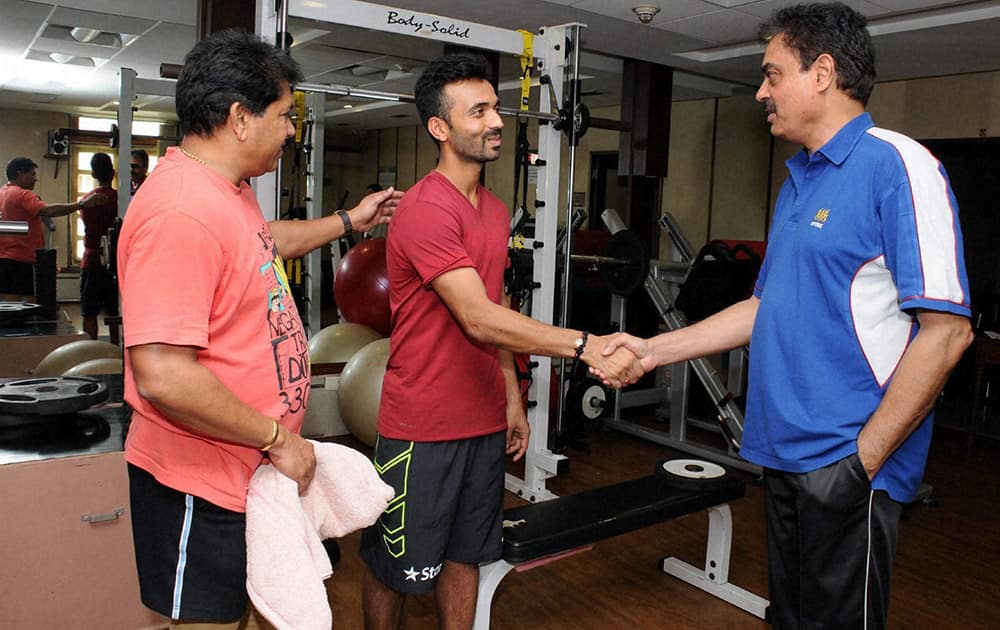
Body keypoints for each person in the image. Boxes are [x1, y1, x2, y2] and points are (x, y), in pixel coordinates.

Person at [596, 4, 973, 628]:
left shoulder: (899, 167)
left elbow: (949, 330)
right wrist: (652, 349)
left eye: (773, 74)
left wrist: (862, 463)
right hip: (783, 453)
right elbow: (763, 308)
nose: (761, 91)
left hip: (849, 462)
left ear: (822, 73)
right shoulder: (799, 181)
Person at [117, 29, 399, 627]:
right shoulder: (179, 212)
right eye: (283, 115)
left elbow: (264, 242)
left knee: (239, 616)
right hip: (197, 480)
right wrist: (279, 438)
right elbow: (163, 375)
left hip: (242, 472)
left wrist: (348, 220)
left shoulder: (225, 192)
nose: (292, 131)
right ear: (240, 118)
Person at [359, 53, 642, 629]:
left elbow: (496, 306)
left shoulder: (489, 210)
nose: (496, 122)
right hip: (424, 426)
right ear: (440, 127)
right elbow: (477, 319)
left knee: (469, 556)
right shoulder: (424, 209)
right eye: (479, 111)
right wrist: (585, 345)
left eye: (496, 108)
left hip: (482, 421)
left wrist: (511, 395)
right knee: (397, 568)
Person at [0, 156, 96, 301]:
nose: (35, 179)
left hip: (5, 260)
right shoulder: (23, 194)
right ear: (20, 173)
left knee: (8, 309)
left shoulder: (2, 193)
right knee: (29, 307)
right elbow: (49, 211)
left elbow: (13, 227)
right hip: (21, 262)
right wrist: (81, 204)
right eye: (32, 174)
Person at [78, 152, 119, 344]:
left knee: (89, 311)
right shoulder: (120, 200)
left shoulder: (86, 199)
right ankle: (115, 348)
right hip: (114, 263)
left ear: (93, 175)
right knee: (115, 311)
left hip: (92, 259)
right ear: (113, 173)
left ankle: (90, 350)